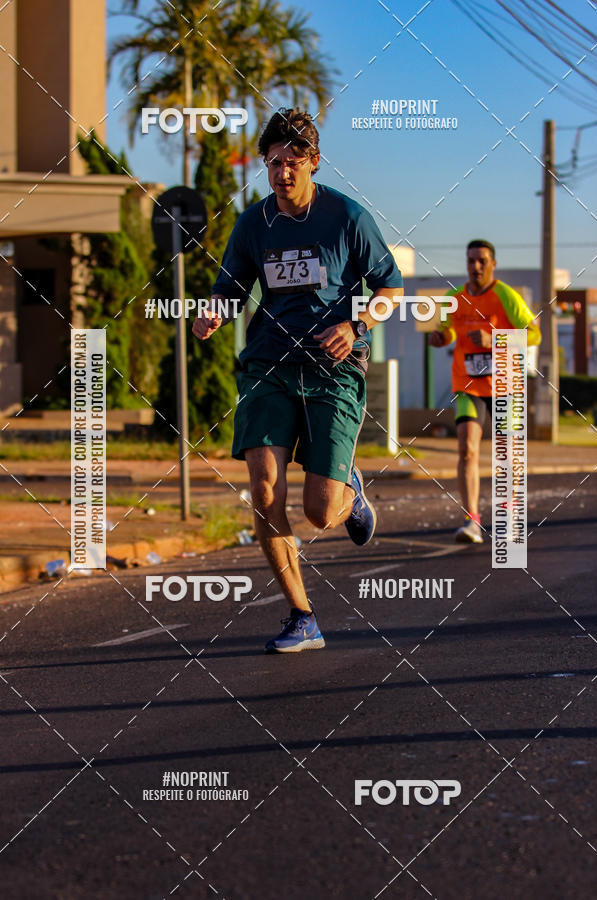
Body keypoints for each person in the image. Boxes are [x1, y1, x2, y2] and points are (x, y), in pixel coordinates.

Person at [192, 108, 403, 653]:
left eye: (292, 161)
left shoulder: (347, 217)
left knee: (320, 512)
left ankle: (349, 491)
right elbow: (230, 287)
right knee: (264, 490)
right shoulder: (253, 223)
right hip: (268, 364)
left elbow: (390, 289)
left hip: (333, 368)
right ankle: (301, 615)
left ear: (314, 162)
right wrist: (214, 312)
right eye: (273, 162)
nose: (282, 172)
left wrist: (356, 325)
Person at [429, 239, 541, 543]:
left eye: (482, 261)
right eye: (471, 261)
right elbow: (448, 331)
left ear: (493, 264)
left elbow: (534, 335)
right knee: (467, 449)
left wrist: (495, 340)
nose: (476, 267)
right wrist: (440, 337)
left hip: (505, 384)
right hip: (468, 383)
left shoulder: (506, 296)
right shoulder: (454, 297)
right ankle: (472, 522)